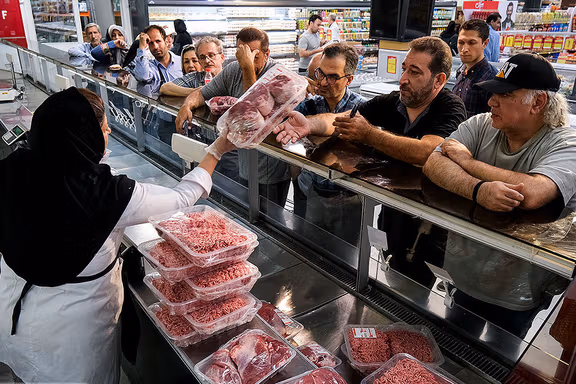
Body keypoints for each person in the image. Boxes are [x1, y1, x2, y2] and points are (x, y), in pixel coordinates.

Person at [0, 87, 236, 383]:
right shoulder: (105, 194)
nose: (110, 129)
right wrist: (217, 150)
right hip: (71, 333)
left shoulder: (14, 165)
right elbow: (181, 197)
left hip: (13, 310)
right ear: (82, 136)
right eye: (103, 126)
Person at [275, 37, 467, 286]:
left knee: (416, 293)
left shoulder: (450, 106)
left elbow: (428, 151)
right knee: (387, 277)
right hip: (391, 212)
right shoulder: (394, 101)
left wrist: (371, 135)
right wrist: (308, 124)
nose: (403, 79)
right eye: (404, 69)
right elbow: (343, 118)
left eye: (414, 72)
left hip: (428, 226)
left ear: (439, 80)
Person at [423, 53, 576, 336]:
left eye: (504, 95)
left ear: (538, 102)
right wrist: (478, 190)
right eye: (493, 93)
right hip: (463, 273)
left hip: (517, 291)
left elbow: (532, 192)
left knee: (498, 365)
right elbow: (434, 161)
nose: (492, 101)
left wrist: (468, 164)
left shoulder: (567, 144)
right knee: (455, 345)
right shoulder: (481, 124)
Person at [176, 28, 292, 207]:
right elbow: (203, 93)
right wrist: (187, 105)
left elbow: (252, 111)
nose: (248, 60)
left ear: (267, 54)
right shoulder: (233, 69)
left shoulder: (280, 75)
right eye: (242, 53)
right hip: (246, 163)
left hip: (271, 167)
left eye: (255, 55)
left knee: (271, 220)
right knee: (246, 212)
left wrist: (247, 67)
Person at [296, 43, 364, 244]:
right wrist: (294, 90)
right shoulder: (309, 103)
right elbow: (277, 122)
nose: (324, 82)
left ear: (349, 79)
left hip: (349, 197)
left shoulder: (361, 108)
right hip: (314, 192)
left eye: (333, 77)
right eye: (320, 74)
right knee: (312, 247)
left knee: (345, 255)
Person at [453, 20, 498, 117]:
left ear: (485, 43)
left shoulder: (491, 78)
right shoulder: (461, 71)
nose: (464, 49)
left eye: (471, 43)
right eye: (461, 42)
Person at [160, 37, 226, 96]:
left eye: (211, 55)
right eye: (202, 57)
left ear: (222, 57)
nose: (207, 61)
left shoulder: (230, 76)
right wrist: (198, 92)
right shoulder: (195, 78)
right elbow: (165, 88)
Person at [131, 25, 182, 90]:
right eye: (151, 43)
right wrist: (142, 48)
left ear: (166, 42)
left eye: (158, 41)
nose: (155, 47)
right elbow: (143, 76)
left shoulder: (181, 62)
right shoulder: (149, 66)